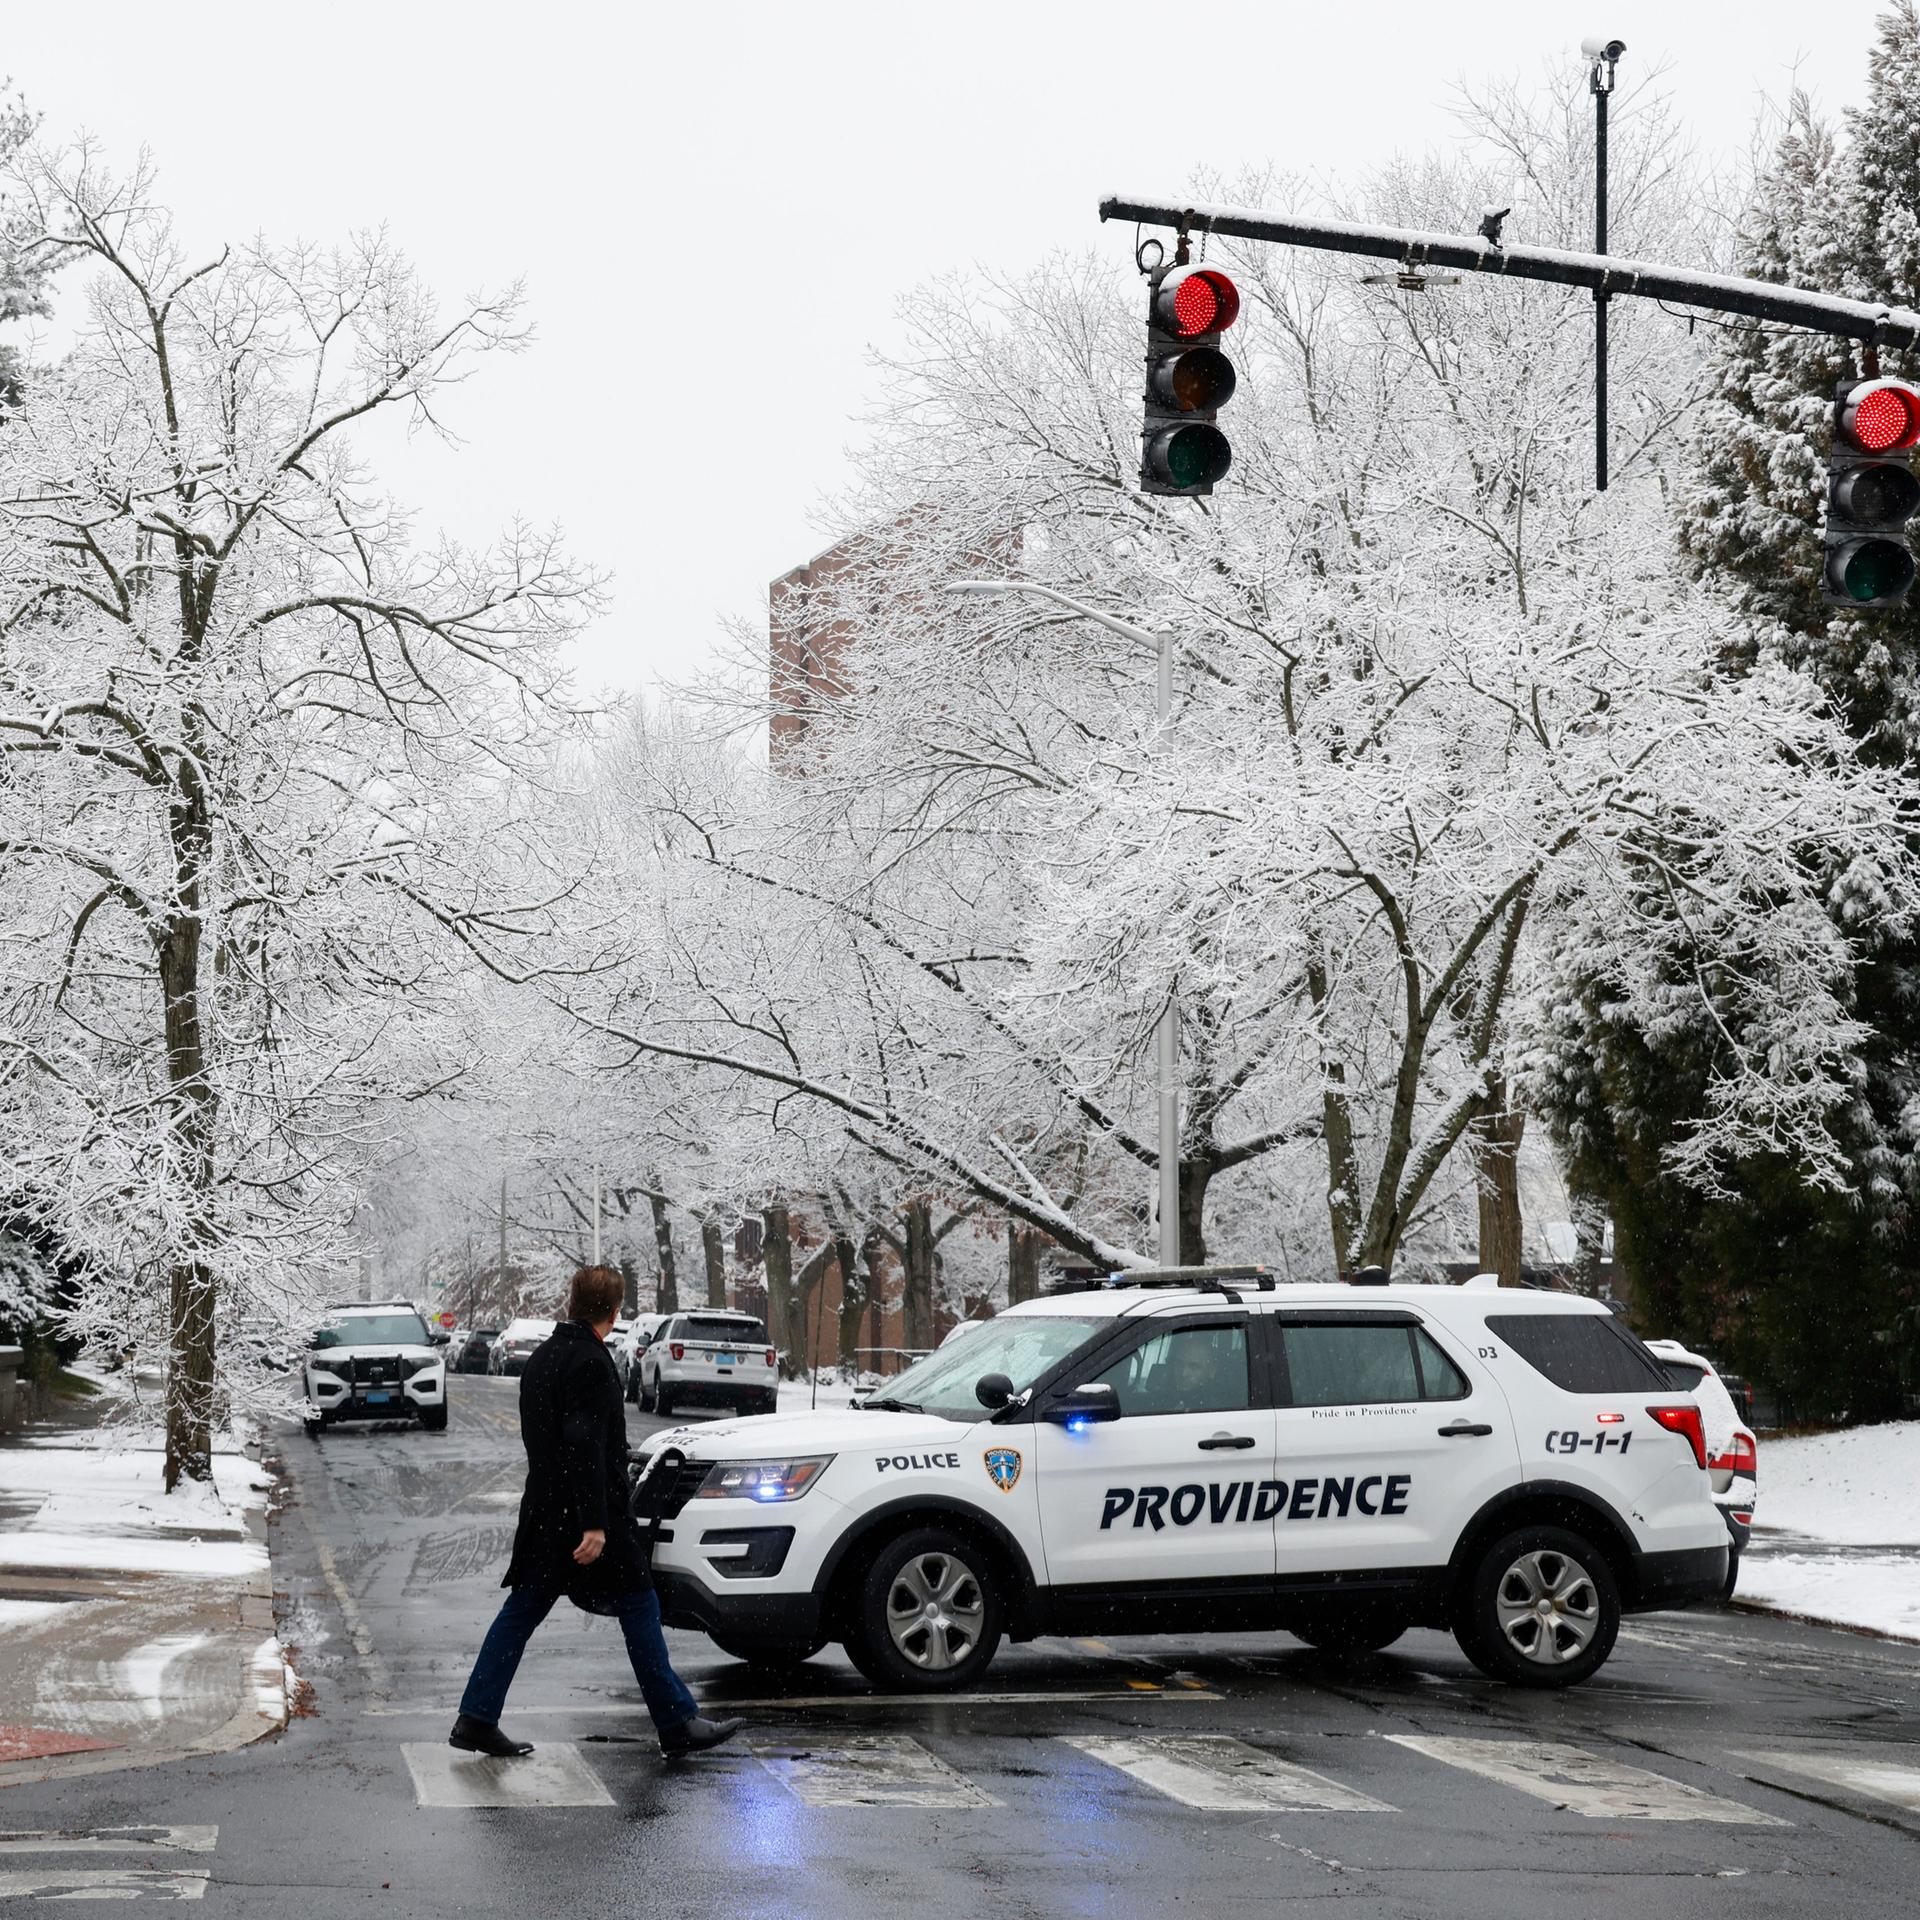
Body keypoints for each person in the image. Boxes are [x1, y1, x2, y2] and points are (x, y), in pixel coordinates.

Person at [448, 1265, 741, 1760]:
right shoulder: (590, 1360)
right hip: (586, 1516)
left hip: (544, 1512)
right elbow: (581, 1445)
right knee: (640, 1605)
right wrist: (594, 1523)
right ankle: (676, 1722)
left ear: (572, 1302)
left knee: (521, 1613)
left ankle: (476, 1716)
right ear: (614, 1310)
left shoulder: (542, 1358)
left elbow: (554, 1443)